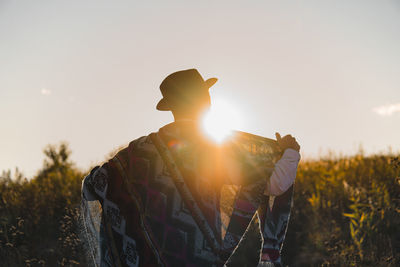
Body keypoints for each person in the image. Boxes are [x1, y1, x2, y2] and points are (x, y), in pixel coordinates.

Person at [81, 69, 300, 267]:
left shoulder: (140, 151)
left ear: (172, 106)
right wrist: (290, 152)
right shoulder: (217, 147)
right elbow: (275, 183)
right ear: (203, 101)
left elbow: (92, 189)